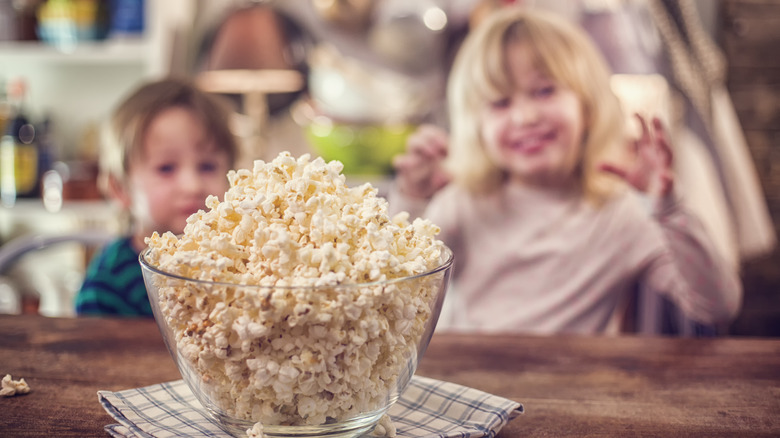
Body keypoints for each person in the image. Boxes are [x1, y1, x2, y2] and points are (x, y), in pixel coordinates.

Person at [390, 7, 742, 334]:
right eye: (500, 102)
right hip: (473, 390)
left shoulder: (623, 215)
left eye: (544, 91)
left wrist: (668, 208)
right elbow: (395, 302)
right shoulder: (460, 204)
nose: (525, 117)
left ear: (588, 107)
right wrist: (412, 199)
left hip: (575, 393)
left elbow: (717, 307)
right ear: (476, 126)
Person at [75, 77, 239, 317]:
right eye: (166, 168)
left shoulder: (238, 263)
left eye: (207, 166)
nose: (192, 185)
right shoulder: (109, 286)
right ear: (120, 188)